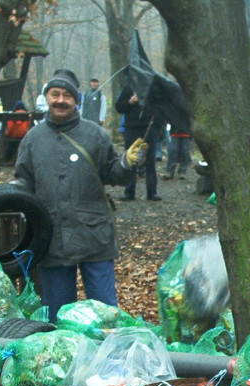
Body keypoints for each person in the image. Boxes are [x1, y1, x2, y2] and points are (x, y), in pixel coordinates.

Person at [13, 68, 146, 320]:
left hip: (94, 235)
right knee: (59, 316)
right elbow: (24, 180)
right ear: (47, 98)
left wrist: (128, 164)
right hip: (52, 238)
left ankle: (107, 358)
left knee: (105, 313)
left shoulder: (95, 134)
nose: (60, 100)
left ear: (76, 101)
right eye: (55, 94)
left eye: (67, 95)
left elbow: (112, 174)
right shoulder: (32, 139)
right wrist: (11, 193)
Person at [114, 84, 163, 201]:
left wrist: (158, 126)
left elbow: (161, 109)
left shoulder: (154, 89)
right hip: (132, 129)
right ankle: (129, 192)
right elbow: (119, 107)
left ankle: (152, 192)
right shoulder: (128, 89)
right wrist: (130, 102)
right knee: (131, 160)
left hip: (149, 128)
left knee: (150, 161)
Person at [164, 115, 192, 180]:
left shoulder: (189, 107)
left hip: (186, 132)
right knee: (173, 151)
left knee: (185, 152)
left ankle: (182, 171)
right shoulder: (174, 106)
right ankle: (170, 171)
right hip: (175, 131)